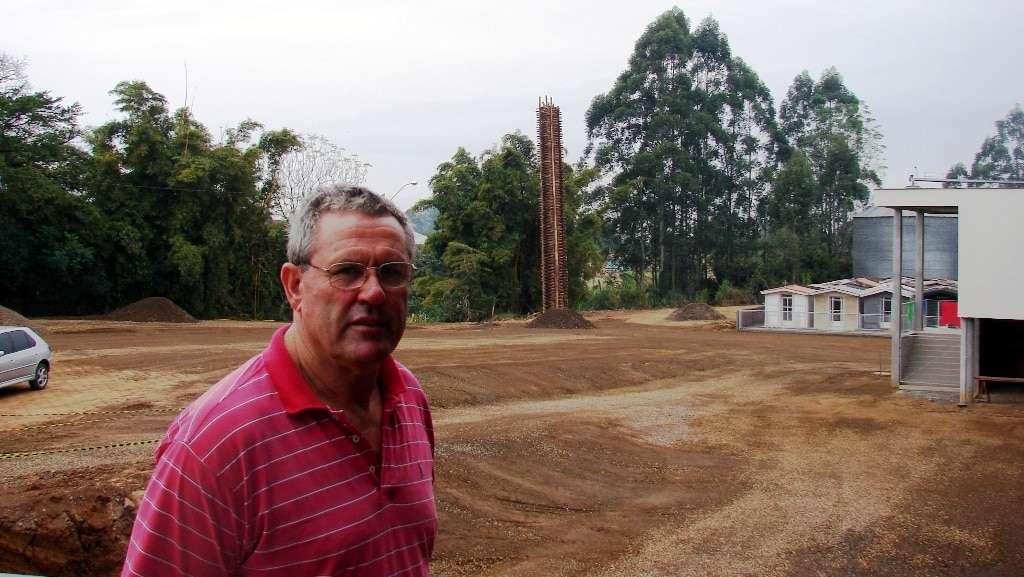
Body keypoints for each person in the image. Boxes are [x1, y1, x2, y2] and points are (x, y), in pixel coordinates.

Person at [122, 185, 436, 576]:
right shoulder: (214, 446)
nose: (374, 293)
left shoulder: (408, 397)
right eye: (347, 272)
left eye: (392, 273)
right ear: (294, 286)